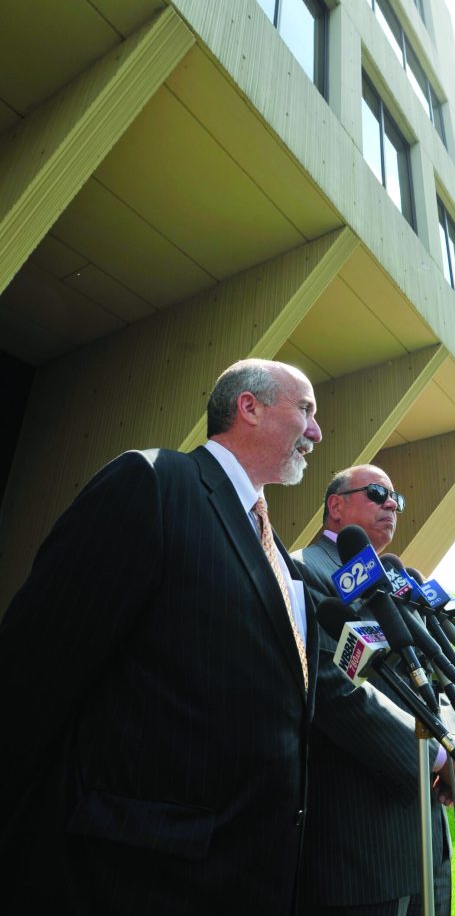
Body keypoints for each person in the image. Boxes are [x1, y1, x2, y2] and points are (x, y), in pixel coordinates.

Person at [0, 358, 322, 915]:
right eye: (307, 410)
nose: (316, 432)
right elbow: (31, 675)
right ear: (249, 406)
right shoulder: (151, 482)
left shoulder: (279, 557)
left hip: (251, 876)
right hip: (140, 881)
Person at [295, 463, 455, 916]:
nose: (392, 503)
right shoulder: (304, 571)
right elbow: (335, 688)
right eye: (377, 493)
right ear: (335, 505)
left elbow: (431, 676)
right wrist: (436, 757)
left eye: (397, 498)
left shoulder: (391, 581)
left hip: (426, 846)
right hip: (364, 847)